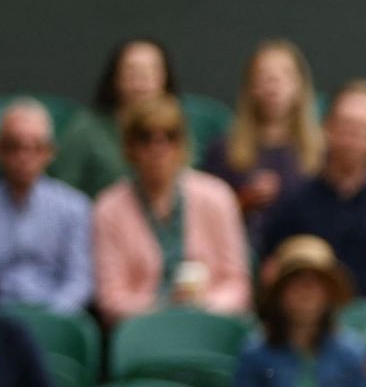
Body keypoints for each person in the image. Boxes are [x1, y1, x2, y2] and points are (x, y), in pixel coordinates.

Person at [260, 81, 366, 315]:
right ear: (327, 128)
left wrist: (363, 316)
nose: (353, 137)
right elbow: (272, 273)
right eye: (346, 126)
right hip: (303, 324)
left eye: (363, 128)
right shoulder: (292, 203)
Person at [91, 95, 250, 325]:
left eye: (169, 137)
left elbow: (237, 283)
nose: (159, 148)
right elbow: (111, 298)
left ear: (182, 145)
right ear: (130, 147)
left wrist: (204, 307)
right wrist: (164, 309)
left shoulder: (217, 197)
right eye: (146, 139)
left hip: (210, 323)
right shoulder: (109, 208)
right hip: (143, 331)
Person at [226, 236, 366, 387]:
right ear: (280, 294)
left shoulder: (352, 354)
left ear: (330, 293)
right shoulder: (256, 355)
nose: (307, 293)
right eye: (297, 283)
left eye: (316, 284)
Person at [202, 40, 322, 249]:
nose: (274, 85)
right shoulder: (223, 150)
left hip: (301, 260)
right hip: (238, 252)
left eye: (285, 76)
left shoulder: (323, 151)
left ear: (300, 85)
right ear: (250, 87)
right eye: (263, 76)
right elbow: (204, 220)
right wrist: (243, 202)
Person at [0, 99, 91, 314]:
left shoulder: (74, 207)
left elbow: (80, 281)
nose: (23, 157)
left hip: (55, 315)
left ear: (50, 152)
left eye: (35, 147)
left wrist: (49, 318)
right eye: (13, 146)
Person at [51, 37, 182, 197]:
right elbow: (63, 192)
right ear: (115, 77)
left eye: (151, 71)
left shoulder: (179, 124)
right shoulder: (85, 128)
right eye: (132, 71)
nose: (142, 80)